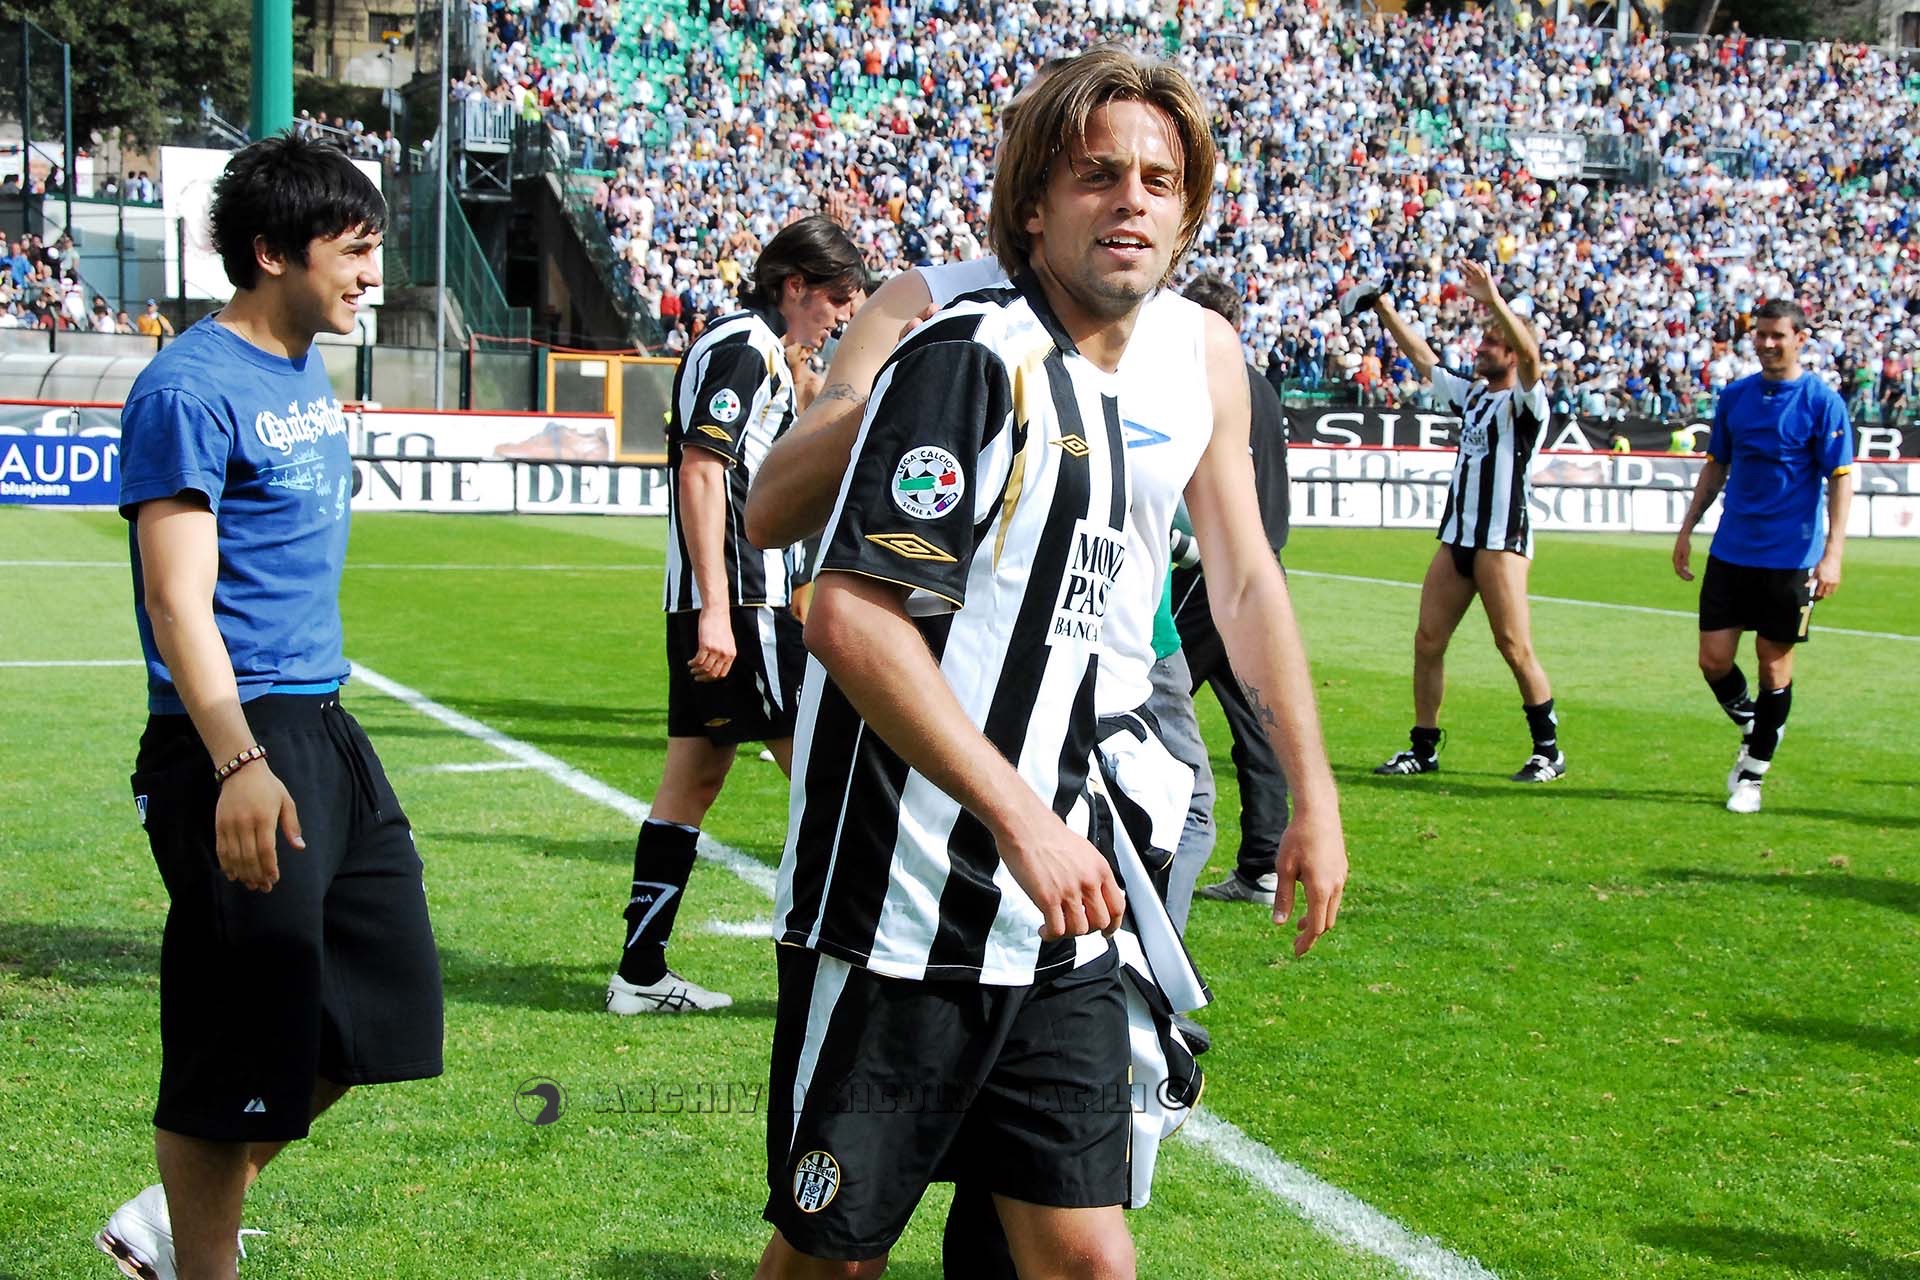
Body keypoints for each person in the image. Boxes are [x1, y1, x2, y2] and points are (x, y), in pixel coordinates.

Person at [755, 50, 1345, 1280]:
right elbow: (828, 584)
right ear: (1032, 202)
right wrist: (918, 391)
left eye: (1159, 182)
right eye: (1096, 176)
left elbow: (1242, 580)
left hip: (1082, 844)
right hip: (912, 867)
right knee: (836, 1251)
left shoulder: (1166, 365)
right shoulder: (957, 337)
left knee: (1084, 1251)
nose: (1131, 202)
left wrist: (1312, 791)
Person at [100, 133, 443, 1280]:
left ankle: (170, 1218)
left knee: (381, 1007)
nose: (372, 276)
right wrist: (238, 760)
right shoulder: (187, 388)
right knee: (234, 1042)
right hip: (231, 739)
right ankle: (201, 1260)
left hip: (323, 722)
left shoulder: (301, 366)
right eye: (353, 252)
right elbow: (175, 598)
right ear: (270, 252)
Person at [605, 214, 861, 1016]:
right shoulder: (743, 345)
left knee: (695, 778)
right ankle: (844, 970)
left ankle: (640, 972)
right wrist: (720, 610)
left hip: (732, 600)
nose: (842, 319)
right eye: (835, 301)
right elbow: (701, 470)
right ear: (794, 287)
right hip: (743, 602)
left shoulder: (765, 352)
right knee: (828, 777)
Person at [1345, 261, 1567, 783]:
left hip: (1501, 539)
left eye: (1492, 343)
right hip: (1458, 536)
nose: (1480, 348)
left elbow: (1532, 357)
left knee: (1513, 646)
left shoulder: (1525, 404)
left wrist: (1494, 301)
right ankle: (1423, 748)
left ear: (1510, 354)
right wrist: (1382, 307)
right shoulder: (1473, 396)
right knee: (1427, 640)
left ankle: (1548, 750)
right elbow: (1423, 360)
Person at [1672, 299, 1853, 814]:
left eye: (1778, 335)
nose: (1768, 344)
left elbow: (1840, 479)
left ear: (1800, 339)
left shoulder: (1822, 402)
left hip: (1790, 557)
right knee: (1713, 660)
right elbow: (1716, 465)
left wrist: (1833, 554)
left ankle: (1752, 774)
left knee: (1774, 665)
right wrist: (1687, 528)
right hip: (1732, 549)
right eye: (1761, 335)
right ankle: (1758, 723)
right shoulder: (1736, 397)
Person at [1177, 274, 1296, 908]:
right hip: (1263, 568)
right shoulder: (1262, 387)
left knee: (1137, 693)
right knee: (1257, 722)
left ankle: (1133, 840)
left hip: (1213, 572)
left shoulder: (1203, 381)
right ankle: (1263, 866)